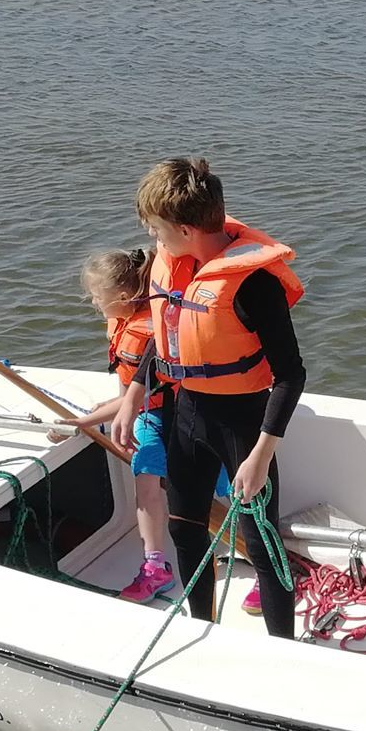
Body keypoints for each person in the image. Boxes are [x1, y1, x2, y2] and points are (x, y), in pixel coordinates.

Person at [116, 157, 305, 637]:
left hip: (242, 426)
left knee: (262, 546)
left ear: (184, 229)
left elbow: (290, 375)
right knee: (184, 528)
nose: (152, 238)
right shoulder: (179, 266)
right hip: (186, 416)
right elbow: (169, 332)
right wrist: (135, 391)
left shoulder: (255, 285)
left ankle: (284, 652)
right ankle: (201, 631)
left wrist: (261, 456)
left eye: (156, 229)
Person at [63, 246, 178, 602]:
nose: (94, 303)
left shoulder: (150, 334)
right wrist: (113, 410)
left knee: (213, 486)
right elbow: (126, 391)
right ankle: (155, 566)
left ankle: (247, 548)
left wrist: (83, 422)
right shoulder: (121, 324)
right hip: (145, 416)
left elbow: (137, 398)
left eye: (97, 297)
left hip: (173, 415)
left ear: (124, 298)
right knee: (146, 486)